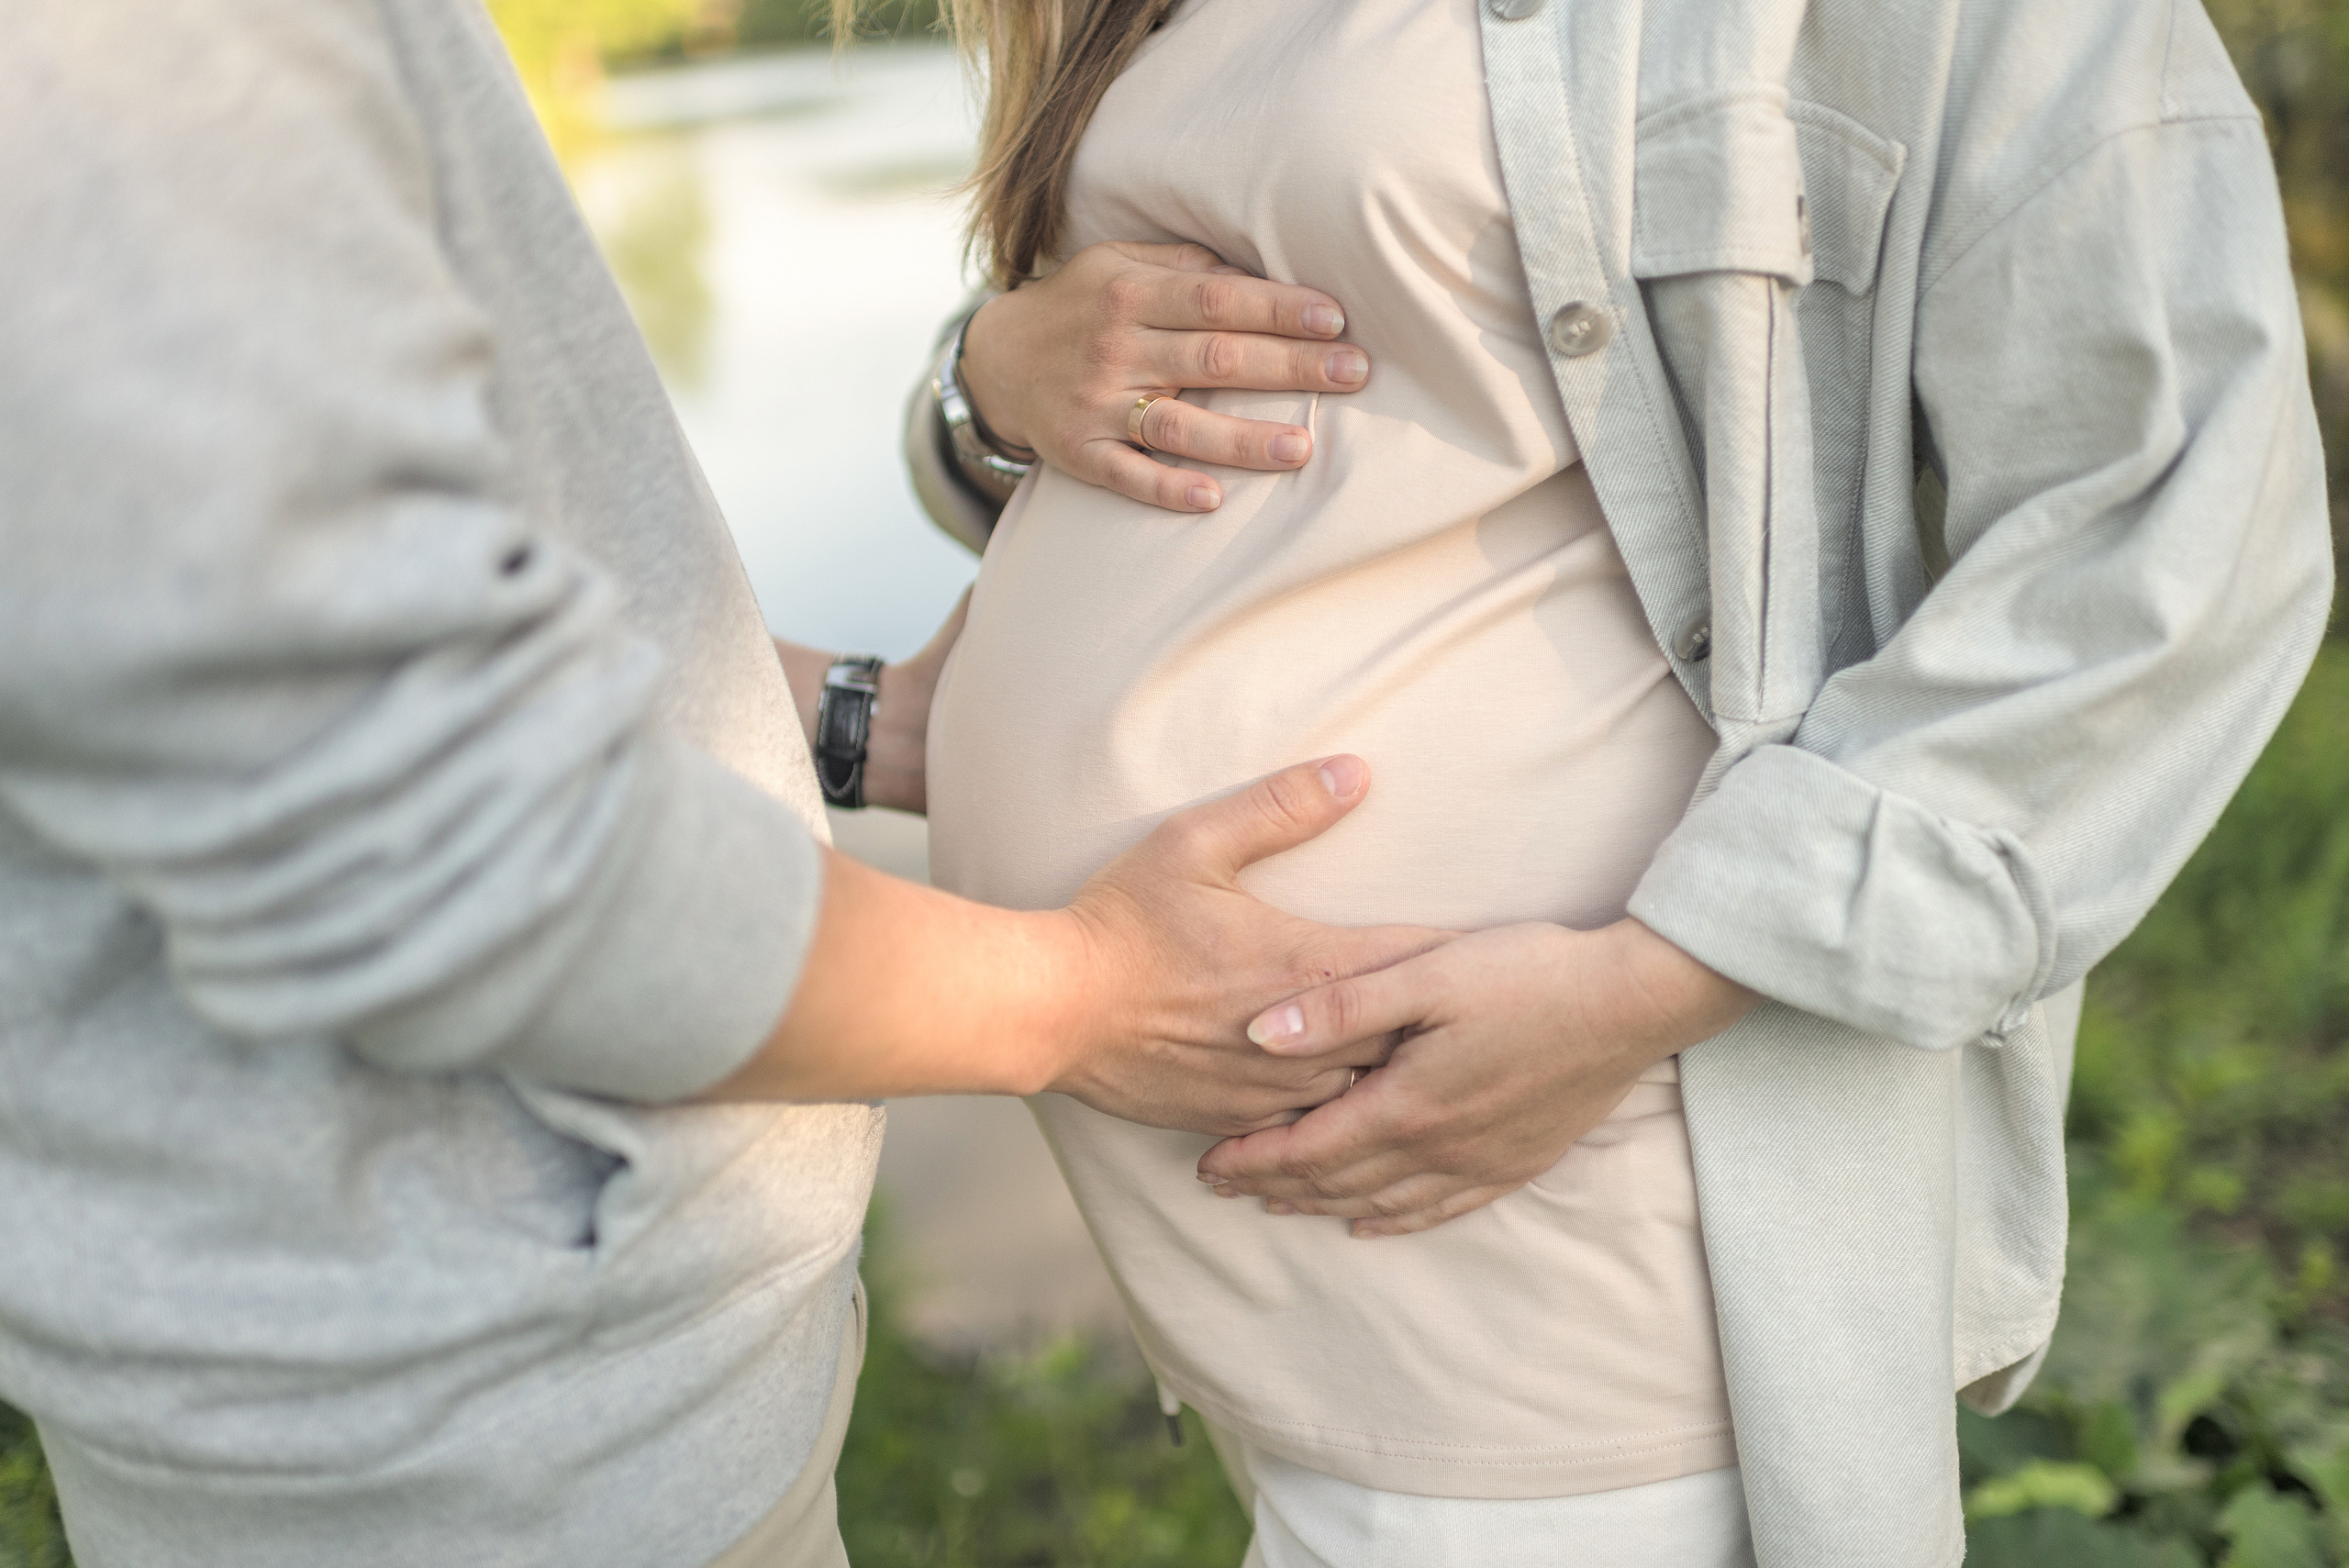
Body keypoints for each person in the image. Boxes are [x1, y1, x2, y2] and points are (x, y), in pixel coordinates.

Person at [0, 5, 1448, 1566]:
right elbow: (450, 850)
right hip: (473, 1444)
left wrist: (860, 726)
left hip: (518, 1392)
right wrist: (1079, 998)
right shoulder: (121, 50)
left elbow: (317, 633)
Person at [896, 0, 2337, 1562]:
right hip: (1287, 1272)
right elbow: (1274, 429)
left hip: (1559, 1196)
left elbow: (2178, 536)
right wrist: (983, 379)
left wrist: (1654, 982)